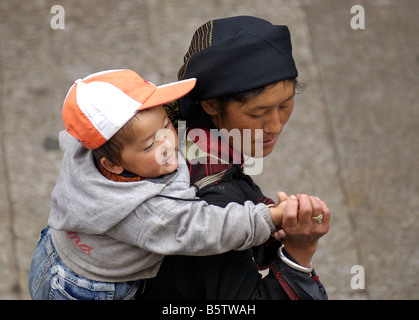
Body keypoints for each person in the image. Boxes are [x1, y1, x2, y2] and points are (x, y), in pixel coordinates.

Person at [27, 69, 290, 300]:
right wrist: (268, 218)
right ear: (113, 165)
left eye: (167, 124)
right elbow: (205, 228)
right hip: (85, 288)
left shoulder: (85, 145)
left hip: (55, 248)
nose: (167, 143)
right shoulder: (147, 213)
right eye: (150, 144)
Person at [136, 16, 331, 300]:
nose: (275, 125)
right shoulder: (212, 211)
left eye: (286, 104)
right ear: (211, 103)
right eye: (257, 113)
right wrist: (300, 252)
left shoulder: (179, 132)